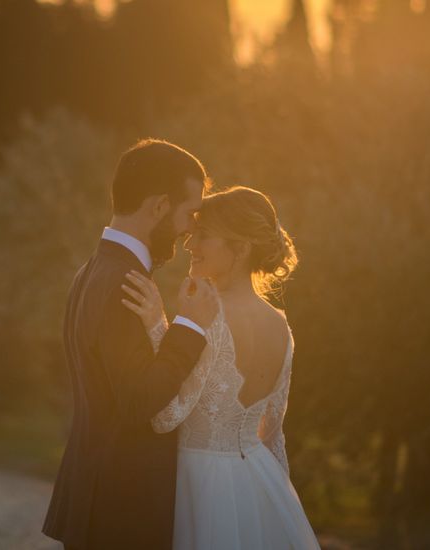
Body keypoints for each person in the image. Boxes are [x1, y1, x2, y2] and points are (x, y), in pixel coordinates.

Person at [43, 139, 219, 550]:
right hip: (122, 509)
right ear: (158, 206)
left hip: (99, 498)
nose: (192, 227)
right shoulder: (124, 281)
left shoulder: (92, 270)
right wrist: (190, 327)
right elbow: (139, 400)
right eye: (189, 212)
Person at [122, 185, 320, 549]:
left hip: (200, 484)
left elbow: (167, 415)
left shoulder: (208, 316)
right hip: (261, 482)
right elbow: (272, 435)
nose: (189, 244)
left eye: (204, 236)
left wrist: (156, 325)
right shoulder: (281, 325)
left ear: (241, 249)